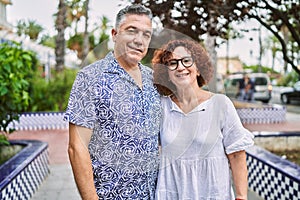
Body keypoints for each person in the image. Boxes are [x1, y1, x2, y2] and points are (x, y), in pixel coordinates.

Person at [64, 4, 161, 199]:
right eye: (131, 31)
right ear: (115, 34)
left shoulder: (154, 80)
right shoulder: (90, 78)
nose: (139, 40)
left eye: (146, 34)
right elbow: (77, 148)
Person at [152, 39, 254, 200]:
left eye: (186, 61)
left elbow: (236, 154)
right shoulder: (161, 107)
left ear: (198, 69)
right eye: (172, 63)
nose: (180, 67)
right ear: (167, 74)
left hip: (213, 193)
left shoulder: (220, 104)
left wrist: (241, 196)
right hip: (172, 193)